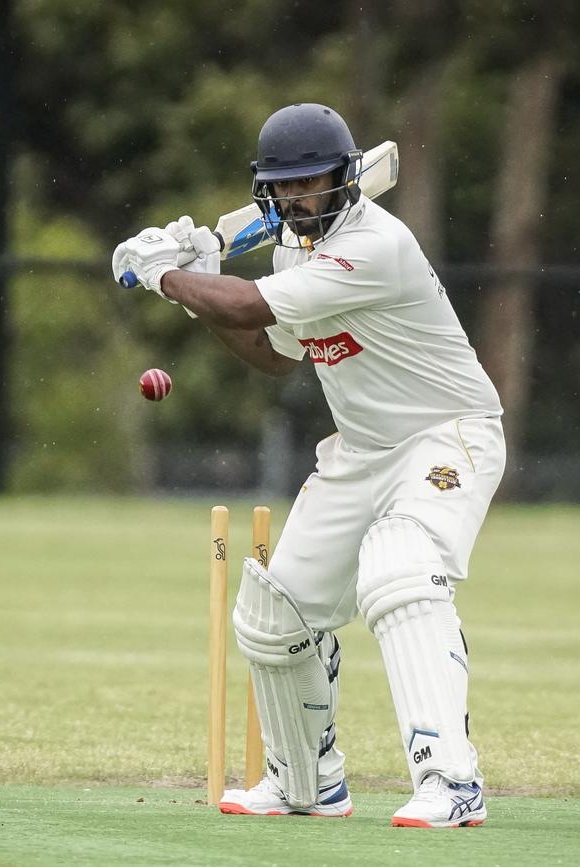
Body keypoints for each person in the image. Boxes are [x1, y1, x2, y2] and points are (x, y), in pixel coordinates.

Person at [112, 103, 505, 827]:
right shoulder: (296, 251)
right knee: (275, 609)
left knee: (399, 567)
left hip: (446, 435)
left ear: (346, 178)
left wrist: (168, 275)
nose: (297, 199)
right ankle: (306, 783)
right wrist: (201, 294)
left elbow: (251, 305)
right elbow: (271, 354)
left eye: (311, 183)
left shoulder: (373, 247)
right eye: (284, 187)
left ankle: (452, 781)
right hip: (361, 449)